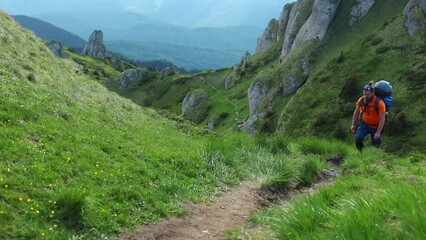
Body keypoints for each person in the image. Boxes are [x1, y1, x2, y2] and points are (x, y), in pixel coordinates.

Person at [351, 82, 386, 152]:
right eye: (364, 94)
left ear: (372, 93)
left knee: (375, 145)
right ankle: (361, 153)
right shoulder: (361, 100)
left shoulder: (379, 103)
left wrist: (378, 132)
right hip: (365, 124)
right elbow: (356, 112)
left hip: (376, 126)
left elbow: (382, 118)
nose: (365, 96)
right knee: (358, 138)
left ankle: (373, 156)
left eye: (367, 95)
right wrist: (353, 124)